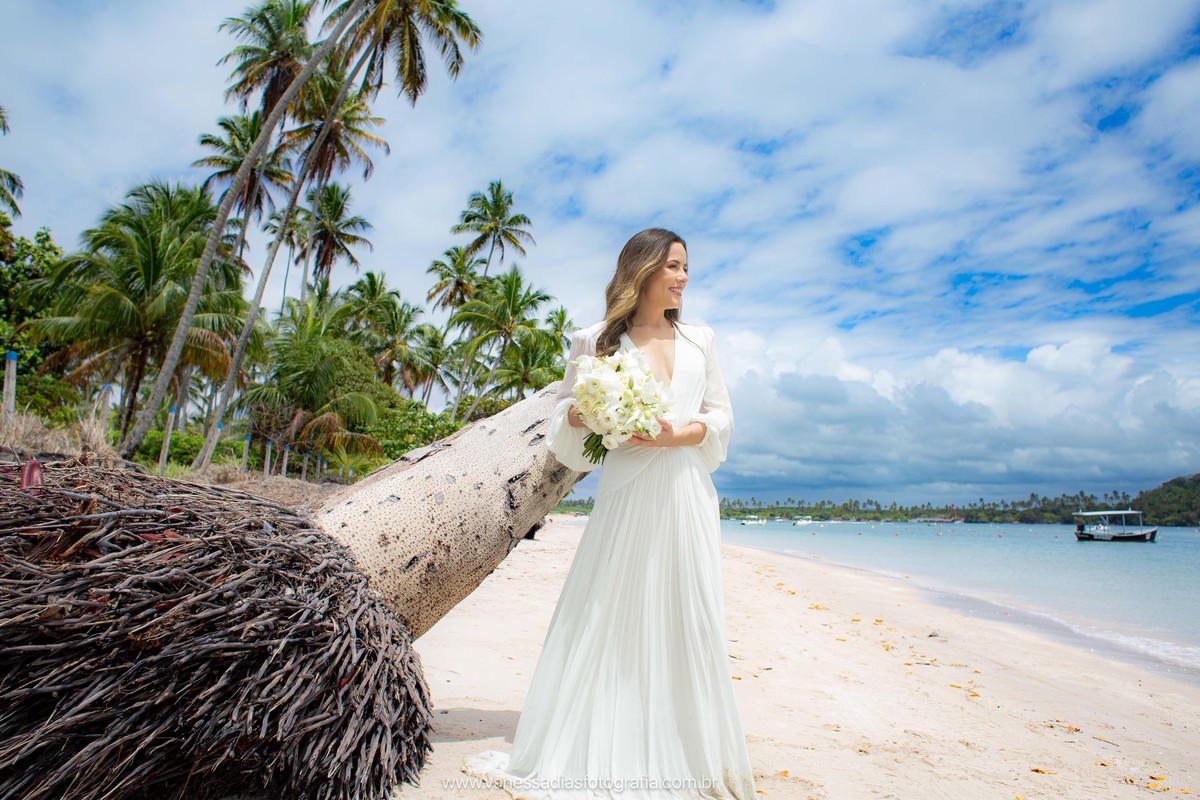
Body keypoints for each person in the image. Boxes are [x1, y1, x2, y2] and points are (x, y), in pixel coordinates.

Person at [463, 228, 756, 799]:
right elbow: (564, 417)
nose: (682, 278)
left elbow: (720, 419)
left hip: (686, 492)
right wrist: (588, 414)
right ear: (643, 269)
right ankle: (603, 745)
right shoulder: (594, 340)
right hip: (626, 492)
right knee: (610, 609)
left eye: (686, 268)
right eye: (672, 266)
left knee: (686, 612)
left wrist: (678, 435)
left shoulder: (701, 339)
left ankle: (684, 751)